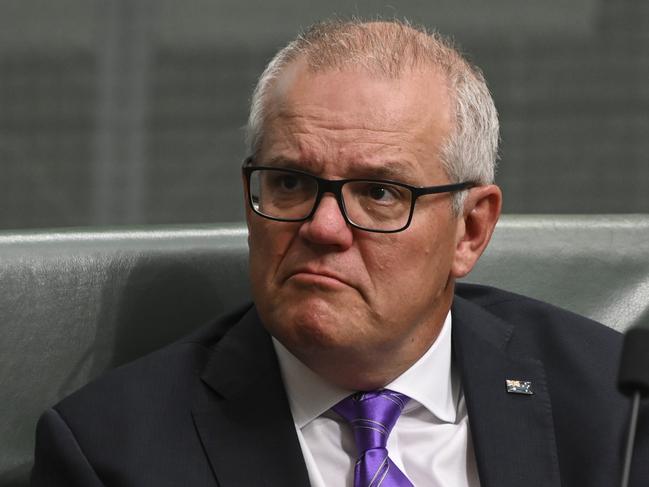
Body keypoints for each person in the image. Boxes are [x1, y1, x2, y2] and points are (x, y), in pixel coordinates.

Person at [32, 19, 647, 487]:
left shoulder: (614, 404)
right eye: (291, 183)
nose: (323, 228)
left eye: (380, 192)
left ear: (470, 231)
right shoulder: (110, 451)